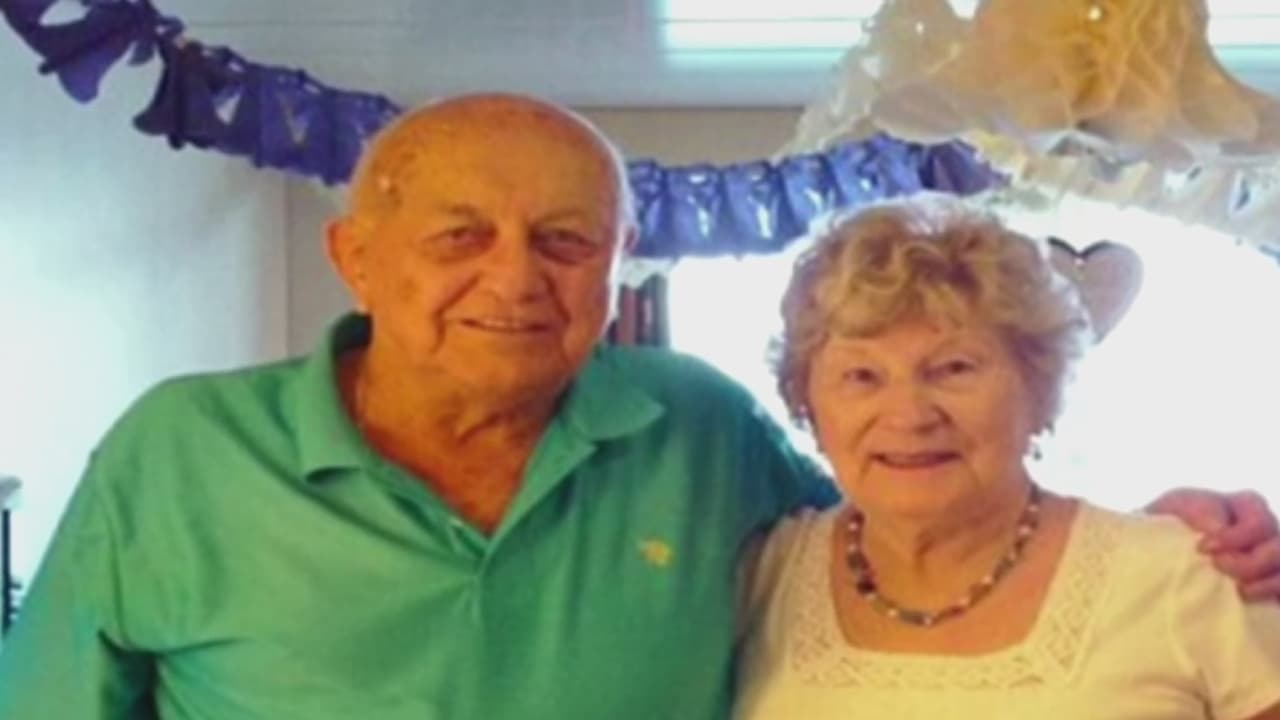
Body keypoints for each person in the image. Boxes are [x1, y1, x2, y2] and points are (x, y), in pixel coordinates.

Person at [0, 95, 1275, 720]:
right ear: (357, 259)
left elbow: (925, 523)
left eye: (566, 240)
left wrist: (1161, 535)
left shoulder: (693, 428)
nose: (515, 279)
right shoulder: (179, 456)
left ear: (614, 272)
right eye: (459, 235)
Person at [734, 195, 1280, 719]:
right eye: (861, 376)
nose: (910, 415)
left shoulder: (1190, 575)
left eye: (954, 368)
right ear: (806, 404)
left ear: (1039, 388)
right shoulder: (758, 576)